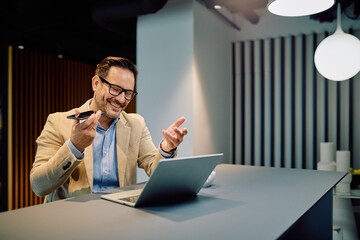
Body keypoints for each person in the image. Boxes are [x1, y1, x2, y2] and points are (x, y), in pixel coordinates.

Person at [30, 56, 188, 202]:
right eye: (115, 88)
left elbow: (154, 170)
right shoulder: (58, 122)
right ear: (96, 83)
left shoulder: (136, 124)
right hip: (74, 221)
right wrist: (75, 146)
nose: (121, 99)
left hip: (121, 216)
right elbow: (39, 186)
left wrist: (166, 150)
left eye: (128, 93)